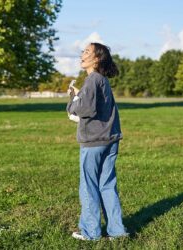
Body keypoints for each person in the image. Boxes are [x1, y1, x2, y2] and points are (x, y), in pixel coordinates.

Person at [66, 42, 128, 240]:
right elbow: (93, 105)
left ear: (97, 58)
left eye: (87, 51)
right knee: (107, 185)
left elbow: (85, 110)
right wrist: (79, 95)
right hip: (110, 139)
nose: (82, 54)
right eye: (82, 51)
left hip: (94, 142)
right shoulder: (101, 80)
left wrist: (73, 102)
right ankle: (117, 232)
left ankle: (90, 232)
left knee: (88, 187)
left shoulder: (93, 79)